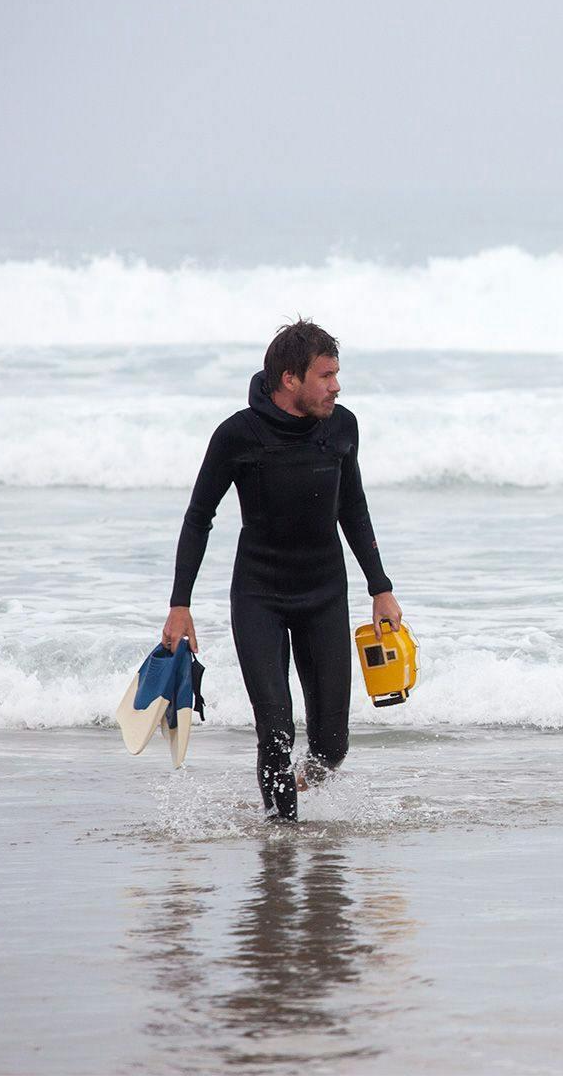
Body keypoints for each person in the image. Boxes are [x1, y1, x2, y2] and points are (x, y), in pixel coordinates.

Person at [162, 319, 401, 821]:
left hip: (324, 595)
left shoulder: (341, 427)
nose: (336, 385)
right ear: (290, 378)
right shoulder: (237, 435)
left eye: (337, 374)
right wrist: (179, 605)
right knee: (275, 729)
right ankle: (281, 838)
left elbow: (353, 508)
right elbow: (198, 517)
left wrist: (380, 588)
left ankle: (301, 784)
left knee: (332, 744)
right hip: (259, 596)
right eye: (326, 375)